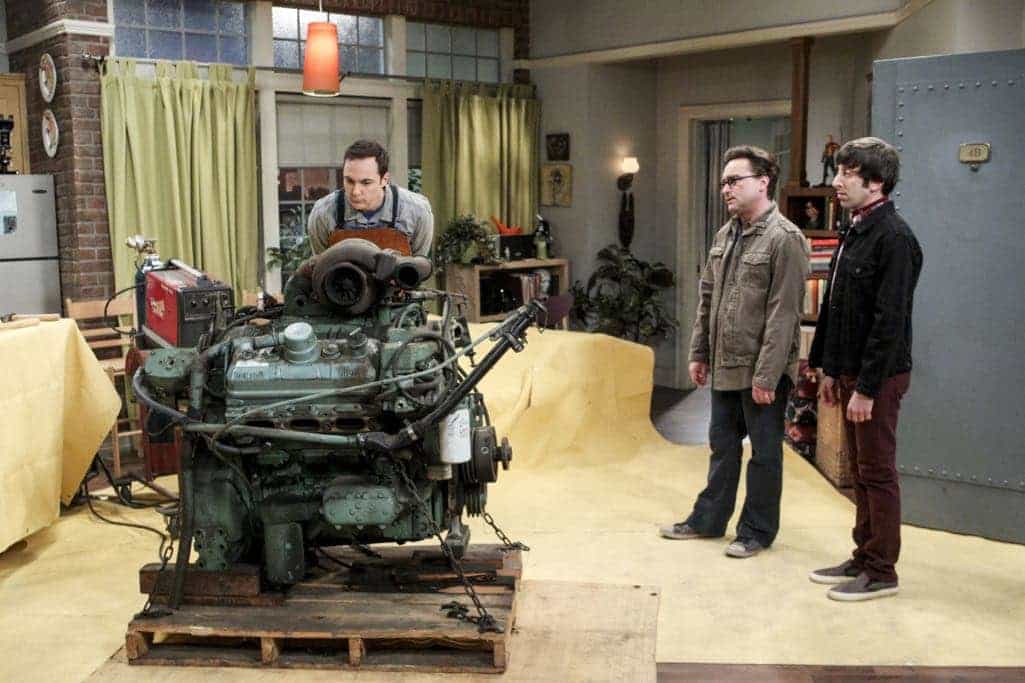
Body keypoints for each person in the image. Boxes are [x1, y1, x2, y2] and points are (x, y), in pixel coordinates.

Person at [659, 145, 809, 558]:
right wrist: (699, 352)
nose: (725, 188)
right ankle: (708, 520)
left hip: (761, 370)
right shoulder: (725, 235)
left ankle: (756, 531)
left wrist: (767, 376)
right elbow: (707, 298)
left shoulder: (786, 239)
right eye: (723, 182)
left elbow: (784, 315)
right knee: (722, 447)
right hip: (725, 364)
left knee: (764, 455)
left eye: (734, 180)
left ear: (763, 182)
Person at [807, 137, 923, 601]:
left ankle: (881, 571)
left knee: (876, 471)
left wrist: (868, 388)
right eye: (839, 171)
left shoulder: (894, 238)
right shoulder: (855, 230)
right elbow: (836, 308)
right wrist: (829, 369)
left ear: (876, 182)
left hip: (878, 377)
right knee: (860, 469)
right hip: (851, 373)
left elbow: (889, 322)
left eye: (847, 173)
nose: (837, 181)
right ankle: (863, 555)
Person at [306, 139, 434, 257]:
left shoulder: (417, 212)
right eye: (349, 181)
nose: (355, 192)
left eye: (366, 182)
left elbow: (417, 267)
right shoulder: (322, 214)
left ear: (384, 180)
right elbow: (322, 267)